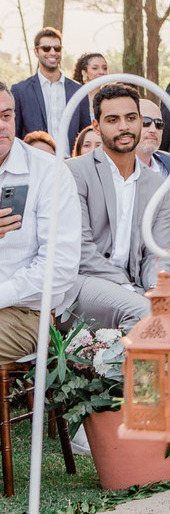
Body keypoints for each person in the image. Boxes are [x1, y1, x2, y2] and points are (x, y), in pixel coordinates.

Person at [65, 83, 170, 337]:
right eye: (112, 119)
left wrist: (156, 288)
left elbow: (158, 253)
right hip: (83, 284)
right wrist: (131, 290)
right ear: (97, 126)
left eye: (131, 118)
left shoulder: (157, 184)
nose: (124, 126)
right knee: (145, 311)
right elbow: (82, 252)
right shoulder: (75, 172)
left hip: (139, 287)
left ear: (140, 122)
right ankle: (149, 376)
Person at [0, 80, 82, 365]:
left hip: (29, 313)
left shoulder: (49, 172)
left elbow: (59, 267)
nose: (2, 126)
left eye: (6, 116)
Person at [11, 27, 91, 146]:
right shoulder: (20, 91)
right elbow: (15, 134)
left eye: (57, 48)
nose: (52, 52)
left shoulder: (78, 91)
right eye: (46, 48)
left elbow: (86, 133)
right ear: (36, 52)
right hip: (34, 161)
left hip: (70, 162)